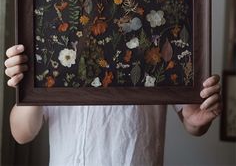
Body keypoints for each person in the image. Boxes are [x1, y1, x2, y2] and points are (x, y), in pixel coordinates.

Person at [4, 44, 222, 166]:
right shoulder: (57, 37)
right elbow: (22, 133)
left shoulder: (157, 21)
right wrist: (31, 84)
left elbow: (192, 119)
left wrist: (197, 119)